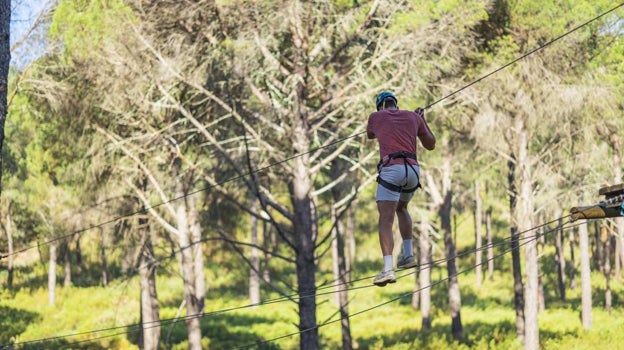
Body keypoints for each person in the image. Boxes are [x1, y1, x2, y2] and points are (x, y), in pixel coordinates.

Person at [366, 91, 436, 286]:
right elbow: (431, 144)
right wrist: (421, 120)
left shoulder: (376, 116)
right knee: (401, 208)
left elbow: (370, 135)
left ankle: (388, 269)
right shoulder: (413, 117)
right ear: (396, 104)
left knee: (385, 219)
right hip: (413, 170)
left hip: (391, 169)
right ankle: (408, 255)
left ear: (380, 106)